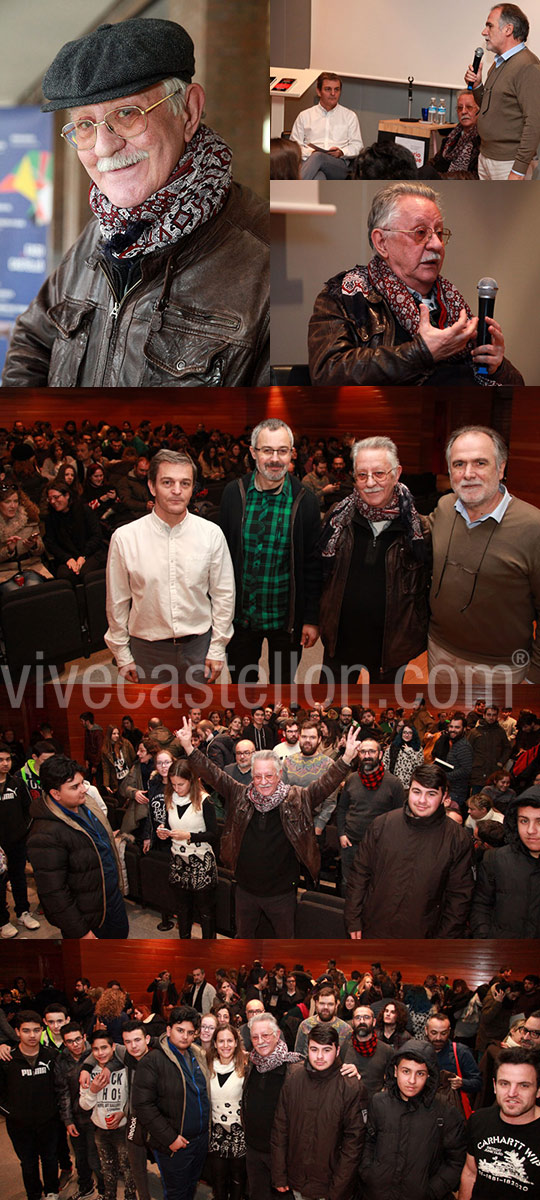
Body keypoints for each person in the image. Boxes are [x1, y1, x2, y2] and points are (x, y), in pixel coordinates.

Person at [2, 18, 269, 386]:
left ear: (188, 111)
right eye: (84, 125)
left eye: (126, 114)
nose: (103, 147)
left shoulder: (266, 260)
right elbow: (33, 339)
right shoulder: (97, 236)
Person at [308, 182, 523, 387]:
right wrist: (421, 352)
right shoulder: (344, 295)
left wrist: (498, 367)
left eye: (439, 233)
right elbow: (327, 373)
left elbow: (518, 387)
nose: (437, 245)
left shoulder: (453, 303)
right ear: (382, 242)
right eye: (421, 233)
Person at [176, 718, 361, 937]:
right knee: (244, 940)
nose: (263, 781)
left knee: (284, 942)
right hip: (245, 889)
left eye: (269, 775)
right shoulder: (240, 794)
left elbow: (325, 784)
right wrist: (189, 747)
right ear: (251, 777)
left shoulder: (298, 798)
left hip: (282, 892)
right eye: (258, 776)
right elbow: (213, 774)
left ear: (280, 775)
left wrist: (347, 758)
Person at [105, 449, 235, 683]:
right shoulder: (125, 538)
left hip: (199, 648)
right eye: (167, 482)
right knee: (153, 718)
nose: (177, 491)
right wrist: (122, 654)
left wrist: (217, 648)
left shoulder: (211, 534)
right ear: (152, 487)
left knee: (200, 715)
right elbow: (117, 601)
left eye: (185, 483)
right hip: (146, 650)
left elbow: (224, 595)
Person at [429, 426, 540, 684]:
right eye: (459, 464)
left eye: (480, 462)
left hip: (502, 668)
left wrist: (534, 678)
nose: (468, 474)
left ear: (501, 468)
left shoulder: (533, 527)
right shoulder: (445, 508)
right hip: (438, 652)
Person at [318, 435, 430, 683]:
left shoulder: (419, 530)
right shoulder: (336, 520)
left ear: (396, 473)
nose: (370, 483)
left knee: (383, 716)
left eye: (379, 473)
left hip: (390, 650)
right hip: (339, 645)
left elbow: (427, 590)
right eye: (362, 475)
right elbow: (319, 577)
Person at [220, 419, 321, 683]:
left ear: (292, 454)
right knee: (242, 689)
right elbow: (221, 560)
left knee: (282, 692)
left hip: (285, 620)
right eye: (267, 450)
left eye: (282, 451)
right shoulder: (234, 494)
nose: (275, 459)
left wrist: (311, 618)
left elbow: (313, 565)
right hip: (241, 619)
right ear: (253, 452)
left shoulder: (306, 501)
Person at [345, 763, 474, 938]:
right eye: (417, 791)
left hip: (422, 937)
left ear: (444, 796)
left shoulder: (457, 839)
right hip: (374, 927)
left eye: (431, 794)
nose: (422, 800)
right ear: (409, 790)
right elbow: (360, 875)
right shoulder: (382, 824)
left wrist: (443, 941)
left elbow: (459, 899)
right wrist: (353, 919)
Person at [26, 755, 128, 939]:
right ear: (55, 794)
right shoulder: (44, 834)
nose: (83, 790)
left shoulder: (86, 803)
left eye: (82, 783)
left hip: (112, 902)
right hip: (88, 918)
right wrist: (81, 932)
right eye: (74, 787)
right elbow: (54, 893)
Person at [359, 1040, 467, 1200]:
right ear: (395, 1071)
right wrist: (369, 1173)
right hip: (378, 1193)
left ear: (429, 1075)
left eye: (420, 1073)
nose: (412, 1080)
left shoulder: (444, 1110)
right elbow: (368, 1141)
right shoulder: (379, 1102)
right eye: (406, 1071)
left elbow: (456, 1160)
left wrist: (431, 1191)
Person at [271, 1024, 367, 1199]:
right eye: (314, 1049)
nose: (320, 1056)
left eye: (327, 1050)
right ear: (307, 1049)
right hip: (297, 1180)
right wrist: (279, 1174)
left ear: (337, 1051)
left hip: (330, 1186)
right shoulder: (294, 1078)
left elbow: (353, 1146)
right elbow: (280, 1129)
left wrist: (338, 1191)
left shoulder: (351, 1086)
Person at [132, 1005, 211, 1200]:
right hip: (175, 1144)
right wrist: (170, 1139)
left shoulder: (198, 1055)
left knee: (191, 1187)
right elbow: (143, 1105)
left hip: (200, 1140)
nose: (185, 1036)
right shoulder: (153, 1060)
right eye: (180, 1030)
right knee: (177, 1193)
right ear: (168, 1030)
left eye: (190, 1032)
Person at [465, 5, 540, 179]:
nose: (484, 32)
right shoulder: (498, 63)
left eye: (489, 25)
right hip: (486, 157)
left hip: (508, 163)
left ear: (508, 29)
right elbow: (488, 108)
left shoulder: (528, 66)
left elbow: (534, 122)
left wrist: (518, 170)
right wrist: (477, 86)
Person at [458, 1048, 540, 1197]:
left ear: (538, 1090)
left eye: (524, 1085)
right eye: (504, 1084)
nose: (512, 1093)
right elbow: (470, 1173)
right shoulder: (479, 1120)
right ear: (495, 1086)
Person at [0, 1010, 60, 1200]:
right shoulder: (6, 1059)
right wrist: (11, 1113)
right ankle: (34, 1194)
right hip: (19, 1125)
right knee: (28, 1162)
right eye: (26, 1031)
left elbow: (60, 1087)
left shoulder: (51, 1055)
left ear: (42, 1030)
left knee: (50, 1159)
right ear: (17, 1031)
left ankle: (52, 1191)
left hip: (49, 1121)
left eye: (36, 1030)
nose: (32, 1035)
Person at [155, 757, 218, 939]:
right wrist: (163, 831)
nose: (176, 789)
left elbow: (214, 835)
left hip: (200, 861)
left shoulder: (205, 801)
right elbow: (170, 824)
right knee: (182, 908)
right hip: (178, 860)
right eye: (173, 784)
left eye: (181, 784)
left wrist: (189, 836)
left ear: (191, 781)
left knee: (205, 911)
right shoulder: (170, 797)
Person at [337, 736, 405, 890]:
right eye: (363, 752)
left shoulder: (393, 783)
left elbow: (400, 818)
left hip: (379, 846)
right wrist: (341, 833)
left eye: (371, 752)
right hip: (350, 843)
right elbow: (341, 809)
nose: (367, 756)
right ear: (358, 755)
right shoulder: (352, 779)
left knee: (375, 887)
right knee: (348, 885)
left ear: (380, 755)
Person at [470, 787, 540, 937]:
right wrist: (485, 940)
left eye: (539, 822)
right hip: (502, 952)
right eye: (524, 821)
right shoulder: (496, 859)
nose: (531, 830)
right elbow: (480, 905)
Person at [79, 1030, 136, 1200]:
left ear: (113, 1047)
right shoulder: (89, 1072)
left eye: (104, 1047)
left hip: (123, 1128)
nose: (100, 1053)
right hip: (100, 1129)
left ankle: (130, 1196)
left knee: (128, 1168)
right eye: (96, 1049)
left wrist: (123, 1112)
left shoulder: (124, 1068)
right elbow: (84, 1105)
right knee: (107, 1168)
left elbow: (134, 1095)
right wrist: (93, 1091)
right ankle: (108, 1195)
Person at [290, 72, 363, 180]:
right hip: (310, 162)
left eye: (336, 89)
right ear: (319, 91)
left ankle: (290, 189)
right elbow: (294, 147)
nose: (333, 93)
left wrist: (341, 152)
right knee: (319, 176)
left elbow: (357, 145)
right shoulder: (305, 115)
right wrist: (311, 152)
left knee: (318, 157)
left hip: (338, 165)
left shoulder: (349, 116)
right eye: (328, 89)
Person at [0, 743, 40, 938]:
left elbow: (28, 810)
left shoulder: (16, 783)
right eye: (1, 760)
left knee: (18, 878)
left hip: (16, 842)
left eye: (7, 759)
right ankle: (2, 920)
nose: (5, 764)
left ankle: (23, 912)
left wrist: (22, 831)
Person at [206, 1024, 247, 1200]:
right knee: (218, 1180)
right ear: (214, 1043)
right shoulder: (206, 1067)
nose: (225, 1045)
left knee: (238, 1179)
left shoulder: (246, 1066)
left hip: (239, 1134)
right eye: (221, 1041)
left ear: (236, 1042)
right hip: (215, 1133)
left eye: (230, 1040)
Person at [44, 481, 106, 582]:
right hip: (67, 557)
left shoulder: (84, 510)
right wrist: (67, 559)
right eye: (50, 499)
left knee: (86, 574)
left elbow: (96, 535)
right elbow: (51, 543)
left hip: (90, 552)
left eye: (56, 497)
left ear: (67, 495)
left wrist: (83, 556)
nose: (52, 501)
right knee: (65, 575)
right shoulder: (51, 518)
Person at [424, 1015, 482, 1114]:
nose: (438, 1038)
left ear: (449, 1031)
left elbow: (478, 1083)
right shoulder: (420, 1052)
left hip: (451, 1112)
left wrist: (462, 1083)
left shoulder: (461, 1052)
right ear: (426, 1030)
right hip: (424, 1110)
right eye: (434, 1033)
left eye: (443, 1033)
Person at [0, 479, 50, 584]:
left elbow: (41, 550)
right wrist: (8, 550)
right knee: (14, 592)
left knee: (33, 587)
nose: (13, 506)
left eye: (15, 501)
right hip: (5, 571)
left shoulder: (29, 518)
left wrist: (34, 545)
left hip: (30, 567)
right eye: (7, 502)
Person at [341, 1005, 394, 1097]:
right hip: (350, 1103)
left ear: (373, 1022)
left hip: (375, 1105)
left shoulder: (386, 1050)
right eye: (358, 1018)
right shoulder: (344, 1047)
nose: (362, 1021)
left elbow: (392, 1080)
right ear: (353, 1022)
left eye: (366, 1017)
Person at [427, 92, 481, 177]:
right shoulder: (454, 135)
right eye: (460, 108)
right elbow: (437, 161)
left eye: (469, 107)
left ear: (479, 110)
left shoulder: (482, 139)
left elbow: (476, 175)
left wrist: (441, 177)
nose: (463, 112)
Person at [431, 713, 474, 813]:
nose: (453, 730)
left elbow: (466, 770)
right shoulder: (455, 743)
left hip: (457, 792)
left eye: (457, 727)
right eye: (451, 726)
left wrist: (444, 775)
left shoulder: (463, 747)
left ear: (464, 729)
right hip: (452, 789)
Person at [294, 987, 352, 1057]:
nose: (326, 1007)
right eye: (322, 1003)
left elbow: (348, 1058)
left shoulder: (346, 1029)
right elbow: (298, 1055)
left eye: (330, 1004)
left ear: (336, 1005)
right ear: (316, 1004)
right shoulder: (305, 1025)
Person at [468, 707, 511, 791]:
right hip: (478, 772)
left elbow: (507, 749)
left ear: (497, 716)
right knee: (476, 799)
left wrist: (501, 762)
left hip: (494, 771)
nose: (491, 717)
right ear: (484, 715)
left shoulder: (500, 732)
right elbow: (467, 750)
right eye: (489, 715)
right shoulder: (475, 732)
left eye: (494, 715)